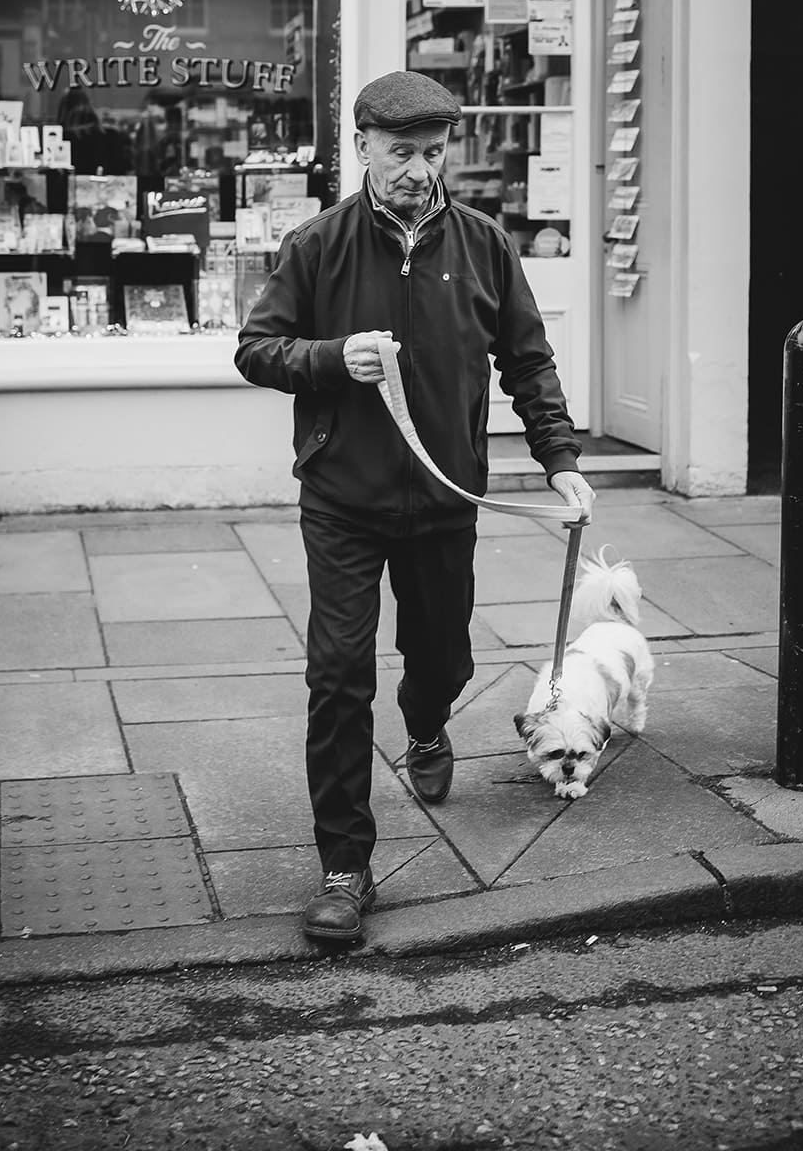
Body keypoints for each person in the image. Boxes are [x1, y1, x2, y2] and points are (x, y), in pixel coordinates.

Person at [234, 70, 594, 942]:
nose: (418, 171)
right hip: (342, 499)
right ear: (359, 145)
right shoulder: (316, 245)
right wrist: (332, 358)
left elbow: (527, 358)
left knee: (440, 660)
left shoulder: (482, 243)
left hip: (444, 496)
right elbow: (255, 349)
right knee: (338, 676)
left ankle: (428, 724)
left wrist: (558, 459)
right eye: (400, 153)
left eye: (432, 154)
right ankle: (344, 868)